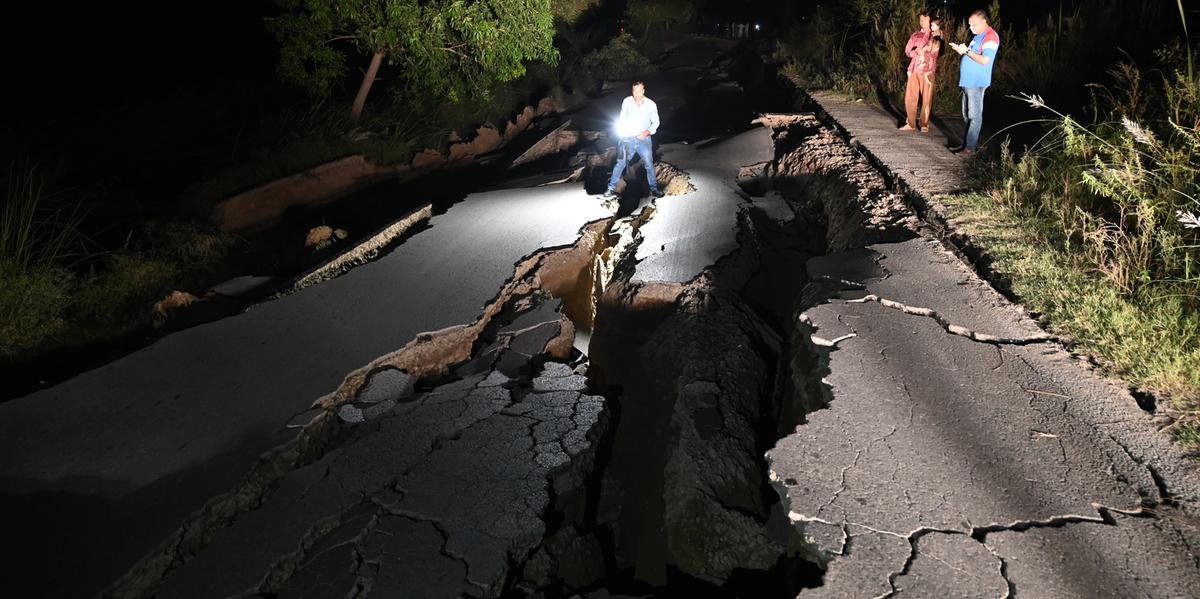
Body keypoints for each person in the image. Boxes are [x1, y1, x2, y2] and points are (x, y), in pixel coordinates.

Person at [949, 9, 1000, 154]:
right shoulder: (978, 36)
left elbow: (984, 60)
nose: (971, 28)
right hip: (968, 82)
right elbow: (971, 54)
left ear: (984, 21)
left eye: (973, 25)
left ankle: (970, 149)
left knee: (974, 116)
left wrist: (967, 52)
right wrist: (961, 50)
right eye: (970, 25)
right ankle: (969, 144)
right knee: (967, 115)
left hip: (976, 82)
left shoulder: (991, 36)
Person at [604, 81, 663, 199]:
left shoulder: (651, 104)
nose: (636, 94)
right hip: (628, 138)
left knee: (648, 163)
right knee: (620, 162)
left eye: (639, 91)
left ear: (643, 91)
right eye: (634, 91)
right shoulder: (627, 101)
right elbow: (622, 118)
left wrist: (646, 132)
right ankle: (610, 189)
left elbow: (656, 122)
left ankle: (654, 189)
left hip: (644, 139)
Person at [900, 11, 942, 132]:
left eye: (924, 20)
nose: (921, 22)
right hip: (914, 69)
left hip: (927, 71)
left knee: (926, 99)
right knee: (910, 97)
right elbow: (908, 51)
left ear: (930, 21)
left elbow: (936, 53)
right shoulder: (915, 35)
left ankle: (924, 124)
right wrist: (915, 52)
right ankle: (911, 123)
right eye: (920, 20)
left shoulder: (936, 35)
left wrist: (925, 53)